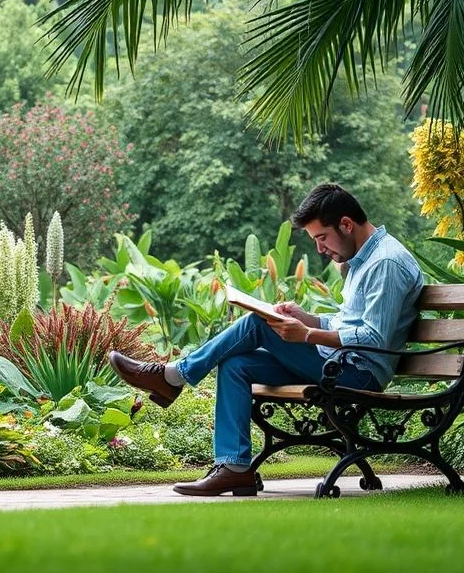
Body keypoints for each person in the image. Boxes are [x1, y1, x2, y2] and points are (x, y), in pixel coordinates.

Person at [109, 183, 424, 496]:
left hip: (358, 373)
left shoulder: (385, 262)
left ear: (346, 224)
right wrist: (306, 319)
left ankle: (172, 376)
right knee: (236, 364)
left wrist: (308, 335)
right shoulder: (361, 259)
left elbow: (373, 336)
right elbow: (348, 322)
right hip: (335, 362)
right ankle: (234, 469)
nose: (320, 249)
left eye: (322, 238)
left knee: (258, 323)